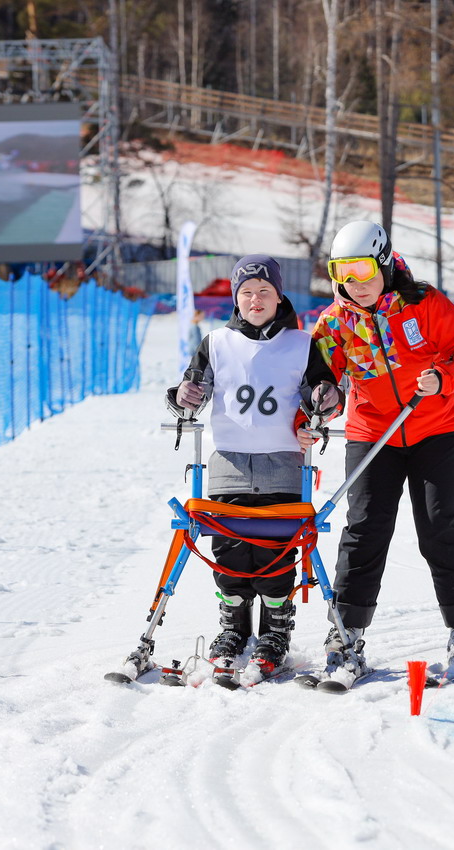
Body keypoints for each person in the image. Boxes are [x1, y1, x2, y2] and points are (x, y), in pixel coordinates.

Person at [310, 220, 454, 689]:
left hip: (438, 427)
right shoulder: (334, 322)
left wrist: (442, 377)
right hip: (373, 433)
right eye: (342, 273)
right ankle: (346, 635)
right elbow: (321, 378)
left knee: (438, 528)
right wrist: (323, 401)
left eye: (363, 271)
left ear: (385, 263)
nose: (355, 284)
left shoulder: (423, 303)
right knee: (364, 530)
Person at [166, 254, 342, 683]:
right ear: (236, 298)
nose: (255, 299)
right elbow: (193, 391)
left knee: (274, 550)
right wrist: (183, 395)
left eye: (264, 291)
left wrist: (324, 397)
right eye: (246, 292)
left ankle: (275, 633)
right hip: (228, 465)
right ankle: (234, 628)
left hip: (282, 464)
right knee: (229, 549)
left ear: (279, 296)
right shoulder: (216, 342)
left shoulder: (301, 343)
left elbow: (323, 393)